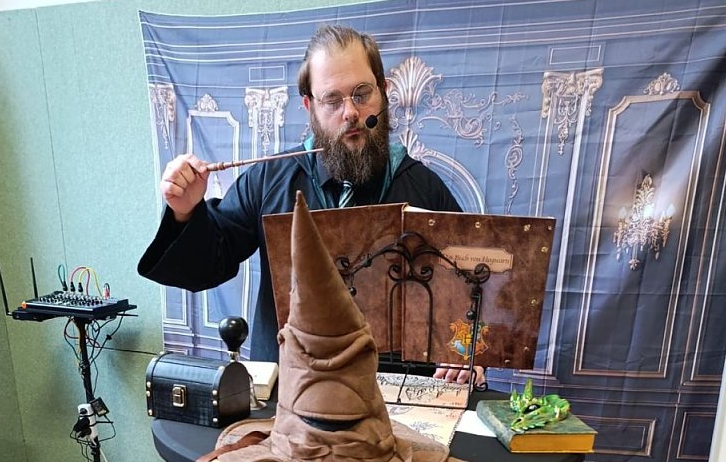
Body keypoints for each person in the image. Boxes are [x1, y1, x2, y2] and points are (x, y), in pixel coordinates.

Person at [139, 23, 479, 384]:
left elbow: (474, 285)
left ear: (383, 92)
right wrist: (185, 212)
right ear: (309, 106)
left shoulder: (422, 187)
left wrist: (468, 351)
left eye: (362, 94)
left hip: (396, 396)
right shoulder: (270, 180)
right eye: (332, 100)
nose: (350, 112)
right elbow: (207, 265)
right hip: (291, 391)